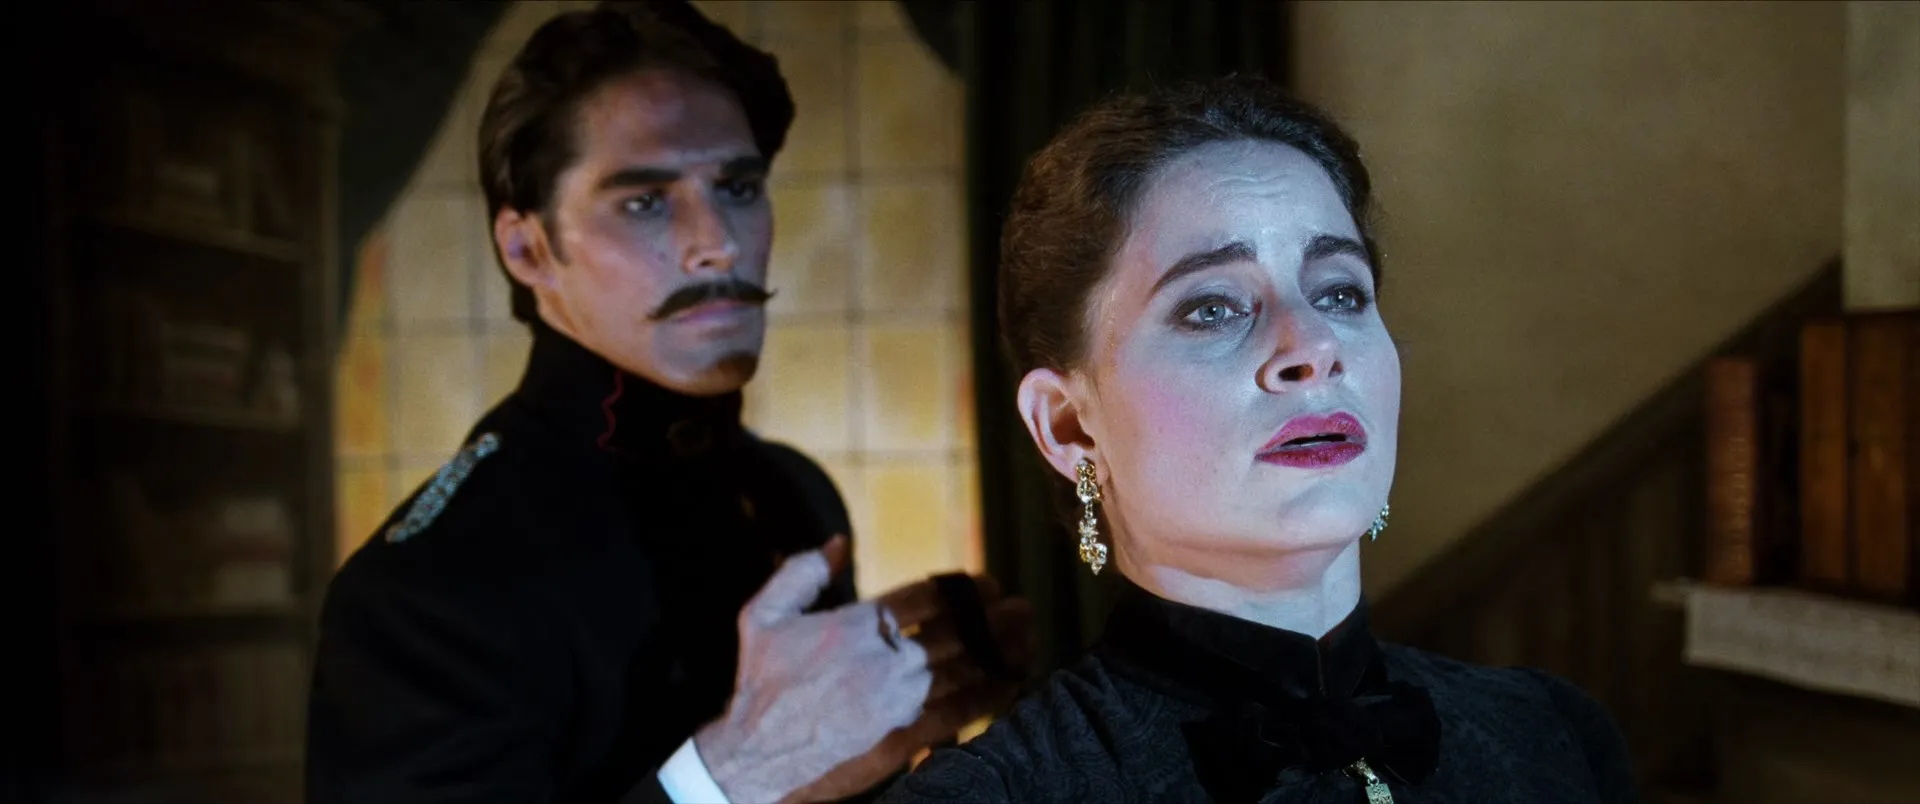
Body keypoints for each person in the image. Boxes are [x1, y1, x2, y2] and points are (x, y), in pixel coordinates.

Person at [305, 3, 1033, 803]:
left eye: (739, 187)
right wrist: (729, 773)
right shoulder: (425, 588)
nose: (717, 241)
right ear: (528, 248)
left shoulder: (791, 494)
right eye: (645, 201)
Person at [880, 75, 1638, 804]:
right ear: (1069, 426)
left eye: (1340, 291)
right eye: (1213, 308)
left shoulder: (1553, 734)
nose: (1313, 345)